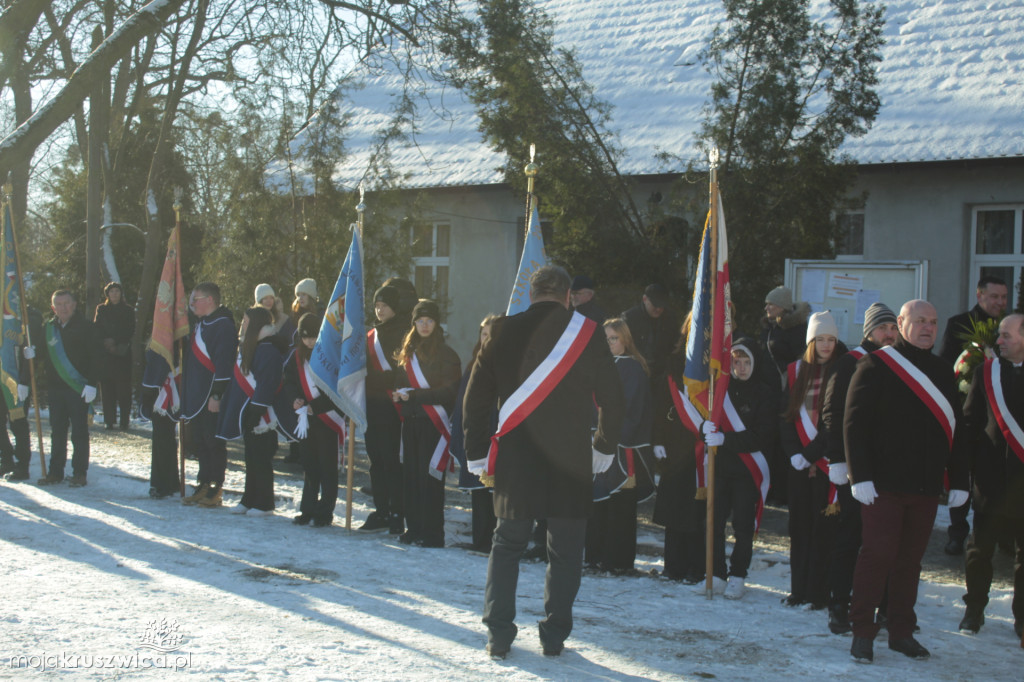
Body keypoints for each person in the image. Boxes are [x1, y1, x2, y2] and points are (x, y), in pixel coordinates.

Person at [464, 265, 624, 659]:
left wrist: (476, 452)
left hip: (517, 459)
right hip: (570, 459)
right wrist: (604, 446)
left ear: (530, 294)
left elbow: (476, 398)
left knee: (507, 546)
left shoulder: (500, 331)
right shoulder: (588, 332)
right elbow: (613, 397)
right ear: (568, 296)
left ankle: (498, 634)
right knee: (566, 552)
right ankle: (554, 636)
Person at [845, 299, 969, 662]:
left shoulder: (943, 371)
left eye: (933, 321)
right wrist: (860, 476)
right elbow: (854, 424)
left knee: (909, 563)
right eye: (920, 320)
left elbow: (956, 431)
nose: (928, 327)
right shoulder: (875, 364)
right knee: (877, 557)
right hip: (882, 485)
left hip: (925, 486)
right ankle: (862, 631)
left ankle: (901, 632)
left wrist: (959, 479)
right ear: (900, 324)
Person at [820, 302, 899, 634]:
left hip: (889, 468)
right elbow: (832, 413)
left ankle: (885, 606)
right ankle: (839, 604)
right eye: (883, 328)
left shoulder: (900, 361)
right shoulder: (849, 362)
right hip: (855, 466)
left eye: (893, 328)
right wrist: (838, 459)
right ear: (869, 331)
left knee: (887, 542)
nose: (889, 334)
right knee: (851, 537)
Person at [959, 313, 1024, 638]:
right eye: (999, 335)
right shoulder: (986, 373)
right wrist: (964, 473)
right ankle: (974, 610)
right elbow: (970, 424)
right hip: (991, 481)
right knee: (979, 551)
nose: (998, 341)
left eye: (1006, 336)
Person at [937, 274, 1008, 555]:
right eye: (994, 297)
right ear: (979, 296)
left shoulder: (1010, 326)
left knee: (994, 476)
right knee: (962, 473)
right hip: (966, 412)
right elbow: (946, 365)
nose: (1000, 302)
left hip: (1000, 417)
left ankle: (997, 533)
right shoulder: (960, 323)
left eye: (1004, 297)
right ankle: (957, 532)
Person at [780, 311, 846, 609]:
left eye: (831, 339)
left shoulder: (842, 370)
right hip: (799, 465)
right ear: (811, 342)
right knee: (799, 529)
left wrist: (810, 455)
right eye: (820, 339)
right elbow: (786, 416)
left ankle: (818, 593)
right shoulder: (795, 372)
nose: (826, 345)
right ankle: (798, 590)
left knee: (824, 532)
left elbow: (835, 422)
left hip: (825, 463)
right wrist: (794, 453)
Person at [700, 338, 774, 600]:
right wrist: (704, 429)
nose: (741, 368)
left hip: (747, 470)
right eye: (736, 362)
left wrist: (725, 439)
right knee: (714, 522)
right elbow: (707, 420)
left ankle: (738, 575)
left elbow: (762, 436)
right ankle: (717, 574)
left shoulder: (765, 393)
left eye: (746, 362)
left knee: (743, 526)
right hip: (721, 468)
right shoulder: (721, 389)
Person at [585, 318, 652, 574]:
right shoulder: (596, 365)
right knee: (598, 501)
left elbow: (631, 408)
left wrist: (608, 436)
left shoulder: (631, 368)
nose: (609, 343)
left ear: (625, 340)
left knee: (620, 504)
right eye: (605, 339)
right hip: (596, 440)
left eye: (613, 338)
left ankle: (618, 561)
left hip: (621, 445)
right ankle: (595, 556)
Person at [393, 299, 461, 547]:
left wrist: (414, 396)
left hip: (434, 425)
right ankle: (414, 528)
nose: (424, 325)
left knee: (430, 479)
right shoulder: (406, 354)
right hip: (411, 421)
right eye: (420, 321)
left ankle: (432, 534)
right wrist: (398, 395)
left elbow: (449, 392)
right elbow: (400, 383)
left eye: (429, 320)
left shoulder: (447, 355)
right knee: (411, 477)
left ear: (436, 323)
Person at [218, 305, 289, 515]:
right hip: (251, 411)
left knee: (261, 459)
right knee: (251, 458)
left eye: (246, 322)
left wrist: (256, 410)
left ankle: (265, 503)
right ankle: (249, 499)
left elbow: (267, 383)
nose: (242, 325)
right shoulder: (254, 347)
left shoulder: (268, 349)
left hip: (263, 416)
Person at [652, 314, 706, 584]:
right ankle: (673, 566)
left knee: (699, 510)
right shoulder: (673, 366)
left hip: (704, 447)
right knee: (676, 508)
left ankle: (698, 567)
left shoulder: (715, 367)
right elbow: (661, 406)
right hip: (674, 444)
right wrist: (658, 439)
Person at [283, 313, 344, 527]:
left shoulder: (330, 356)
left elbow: (336, 390)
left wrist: (316, 407)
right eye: (305, 337)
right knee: (309, 465)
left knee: (327, 467)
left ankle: (324, 512)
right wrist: (294, 399)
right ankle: (307, 509)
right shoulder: (295, 357)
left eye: (313, 337)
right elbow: (289, 382)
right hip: (306, 418)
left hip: (326, 417)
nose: (309, 341)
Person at [449, 313, 502, 553]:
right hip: (478, 435)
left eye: (492, 335)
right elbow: (465, 403)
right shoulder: (474, 365)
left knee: (497, 492)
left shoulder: (508, 367)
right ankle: (481, 539)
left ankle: (497, 540)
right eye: (484, 334)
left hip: (498, 435)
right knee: (479, 490)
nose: (487, 339)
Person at [181, 282, 237, 507]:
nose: (192, 304)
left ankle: (215, 486)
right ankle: (203, 483)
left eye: (196, 299)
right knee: (200, 441)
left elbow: (224, 363)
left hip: (211, 395)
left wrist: (217, 395)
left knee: (213, 442)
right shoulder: (202, 322)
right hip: (197, 394)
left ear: (210, 300)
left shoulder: (223, 325)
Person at [37, 290, 100, 487]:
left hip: (78, 388)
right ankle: (55, 472)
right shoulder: (48, 328)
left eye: (66, 303)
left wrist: (92, 383)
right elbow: (41, 353)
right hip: (55, 388)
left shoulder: (87, 327)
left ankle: (80, 473)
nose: (63, 308)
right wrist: (31, 353)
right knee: (57, 431)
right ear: (53, 308)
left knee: (79, 433)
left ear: (74, 305)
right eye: (58, 304)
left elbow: (97, 357)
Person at [361, 284, 410, 534]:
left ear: (395, 307)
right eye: (377, 306)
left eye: (385, 306)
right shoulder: (371, 335)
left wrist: (374, 379)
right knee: (376, 460)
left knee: (391, 461)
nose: (380, 310)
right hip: (372, 405)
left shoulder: (405, 333)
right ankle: (381, 509)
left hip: (392, 407)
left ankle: (397, 512)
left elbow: (402, 372)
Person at [1, 308, 40, 482]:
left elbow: (30, 353)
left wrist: (24, 380)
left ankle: (22, 466)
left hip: (16, 381)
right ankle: (6, 460)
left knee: (18, 424)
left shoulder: (25, 316)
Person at [93, 282, 135, 431]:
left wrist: (115, 341)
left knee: (124, 390)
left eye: (117, 291)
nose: (114, 294)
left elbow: (130, 329)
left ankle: (124, 421)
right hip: (106, 354)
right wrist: (106, 342)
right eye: (112, 291)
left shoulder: (128, 310)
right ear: (107, 294)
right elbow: (97, 328)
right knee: (107, 388)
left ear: (121, 293)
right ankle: (109, 420)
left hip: (122, 353)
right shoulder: (102, 309)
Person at [140, 348, 181, 498]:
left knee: (162, 438)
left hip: (164, 389)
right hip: (163, 387)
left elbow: (158, 364)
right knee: (165, 438)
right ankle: (169, 482)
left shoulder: (164, 340)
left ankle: (162, 484)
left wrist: (147, 391)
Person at [622, 283, 679, 382]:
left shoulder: (670, 319)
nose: (658, 309)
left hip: (662, 375)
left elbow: (674, 347)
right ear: (645, 299)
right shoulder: (630, 318)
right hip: (636, 373)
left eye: (662, 306)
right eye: (655, 305)